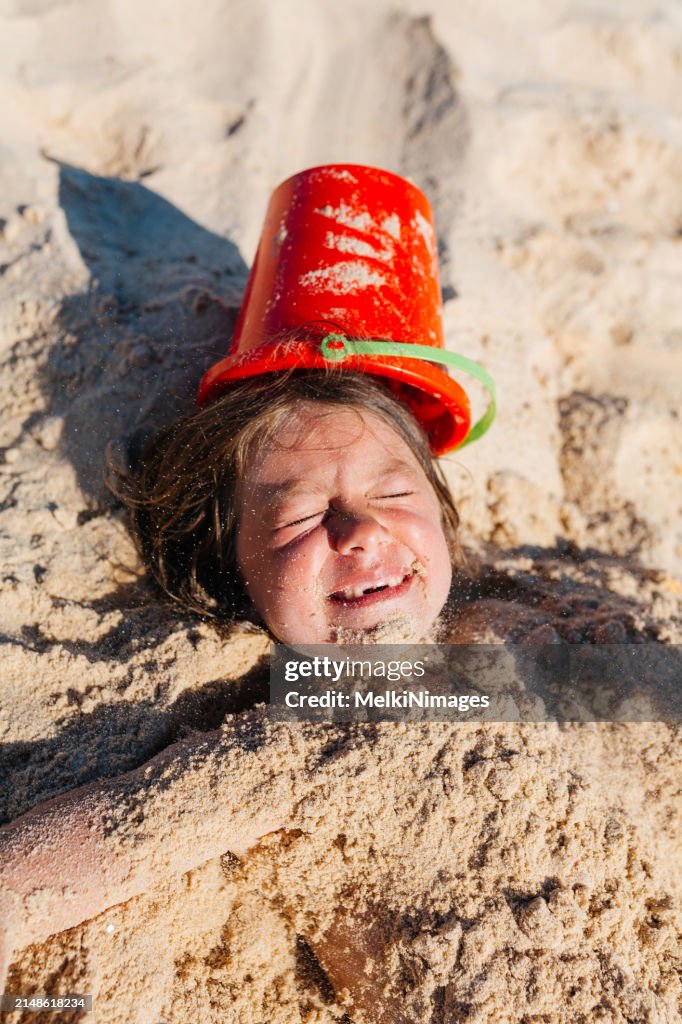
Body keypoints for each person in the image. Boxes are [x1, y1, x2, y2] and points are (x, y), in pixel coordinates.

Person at [0, 165, 495, 1019]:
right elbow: (87, 849)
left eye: (396, 493)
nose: (362, 531)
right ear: (233, 568)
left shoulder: (523, 635)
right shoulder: (300, 743)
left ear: (447, 522)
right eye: (301, 513)